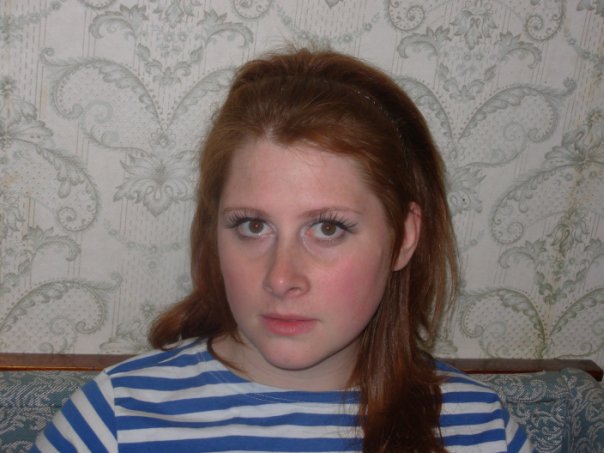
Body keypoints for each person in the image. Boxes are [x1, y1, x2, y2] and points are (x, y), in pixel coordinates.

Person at [32, 48, 532, 452]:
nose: (281, 277)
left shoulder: (480, 429)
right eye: (253, 226)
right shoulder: (115, 421)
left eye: (328, 228)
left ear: (404, 238)